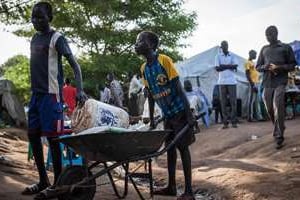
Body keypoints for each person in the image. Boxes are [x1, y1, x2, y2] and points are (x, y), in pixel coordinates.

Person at [22, 2, 87, 199]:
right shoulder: (34, 38)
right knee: (33, 136)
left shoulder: (57, 38)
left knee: (53, 139)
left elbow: (75, 66)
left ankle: (58, 185)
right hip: (36, 96)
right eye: (33, 17)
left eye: (40, 17)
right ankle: (44, 180)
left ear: (50, 18)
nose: (36, 21)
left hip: (52, 97)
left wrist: (80, 90)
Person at [135, 31, 195, 200]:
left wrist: (189, 113)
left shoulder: (164, 60)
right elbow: (150, 94)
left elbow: (178, 88)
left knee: (183, 148)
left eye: (141, 41)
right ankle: (171, 186)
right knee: (170, 150)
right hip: (167, 115)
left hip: (180, 111)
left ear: (152, 45)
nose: (137, 44)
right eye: (136, 42)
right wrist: (153, 119)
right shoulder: (144, 69)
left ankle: (189, 191)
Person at [256, 25, 296, 149]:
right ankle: (279, 126)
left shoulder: (285, 47)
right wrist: (266, 67)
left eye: (270, 35)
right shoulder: (264, 49)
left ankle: (279, 135)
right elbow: (258, 67)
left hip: (280, 81)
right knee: (269, 108)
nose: (268, 37)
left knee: (278, 104)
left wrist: (279, 67)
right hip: (267, 82)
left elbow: (292, 65)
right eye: (266, 35)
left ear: (276, 34)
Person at [215, 40, 238, 128]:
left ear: (228, 46)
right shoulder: (217, 56)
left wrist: (223, 66)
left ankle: (233, 121)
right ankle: (225, 122)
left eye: (226, 45)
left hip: (232, 81)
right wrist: (229, 66)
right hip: (222, 82)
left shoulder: (232, 55)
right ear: (221, 47)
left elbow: (235, 66)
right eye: (223, 45)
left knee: (233, 102)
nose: (225, 46)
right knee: (223, 102)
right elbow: (217, 68)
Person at [244, 50, 263, 122]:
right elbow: (247, 74)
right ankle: (250, 117)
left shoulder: (253, 63)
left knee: (257, 101)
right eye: (254, 54)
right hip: (252, 83)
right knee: (251, 101)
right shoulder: (247, 62)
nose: (255, 56)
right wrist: (252, 85)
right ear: (250, 54)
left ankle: (259, 116)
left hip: (257, 83)